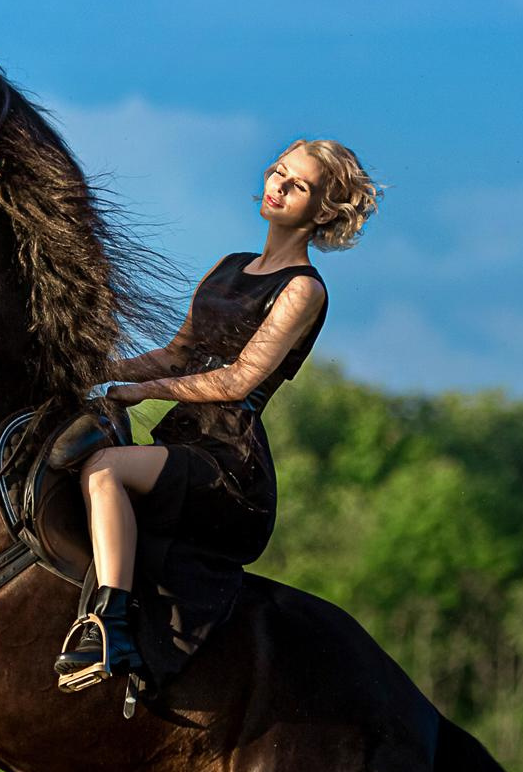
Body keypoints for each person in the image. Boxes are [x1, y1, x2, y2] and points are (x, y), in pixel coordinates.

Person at [53, 137, 382, 703]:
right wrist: (86, 371)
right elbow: (176, 354)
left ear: (324, 210)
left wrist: (135, 391)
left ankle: (112, 627)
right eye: (278, 172)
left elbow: (236, 381)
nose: (277, 185)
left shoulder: (303, 289)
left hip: (229, 464)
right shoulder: (229, 266)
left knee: (104, 468)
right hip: (183, 441)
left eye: (297, 184)